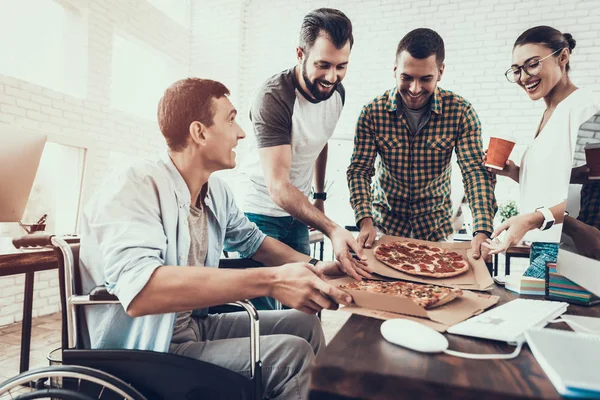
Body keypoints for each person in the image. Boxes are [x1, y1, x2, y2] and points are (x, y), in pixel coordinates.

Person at [79, 78, 361, 400]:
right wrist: (270, 282)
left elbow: (257, 244)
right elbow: (142, 291)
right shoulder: (135, 183)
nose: (241, 133)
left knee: (304, 325)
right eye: (231, 119)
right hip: (146, 349)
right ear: (199, 132)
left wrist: (318, 267)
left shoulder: (216, 192)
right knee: (289, 356)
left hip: (193, 326)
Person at [243, 9, 369, 311]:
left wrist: (320, 196)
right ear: (300, 53)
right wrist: (333, 228)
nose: (331, 76)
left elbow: (319, 140)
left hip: (296, 214)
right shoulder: (274, 97)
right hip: (259, 215)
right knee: (264, 319)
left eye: (341, 66)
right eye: (323, 65)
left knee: (307, 308)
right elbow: (278, 186)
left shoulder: (336, 93)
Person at [346, 28, 497, 259]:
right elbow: (359, 170)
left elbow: (474, 172)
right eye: (407, 77)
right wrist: (365, 220)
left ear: (440, 72)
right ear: (395, 70)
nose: (415, 89)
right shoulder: (372, 112)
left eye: (425, 79)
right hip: (384, 228)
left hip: (436, 230)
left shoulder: (461, 112)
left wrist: (482, 229)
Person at [483, 26, 600, 256]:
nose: (524, 77)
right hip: (542, 249)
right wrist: (515, 172)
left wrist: (532, 220)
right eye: (517, 70)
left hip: (570, 256)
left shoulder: (586, 110)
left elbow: (591, 188)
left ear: (563, 57)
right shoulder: (549, 113)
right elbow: (558, 184)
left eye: (533, 64)